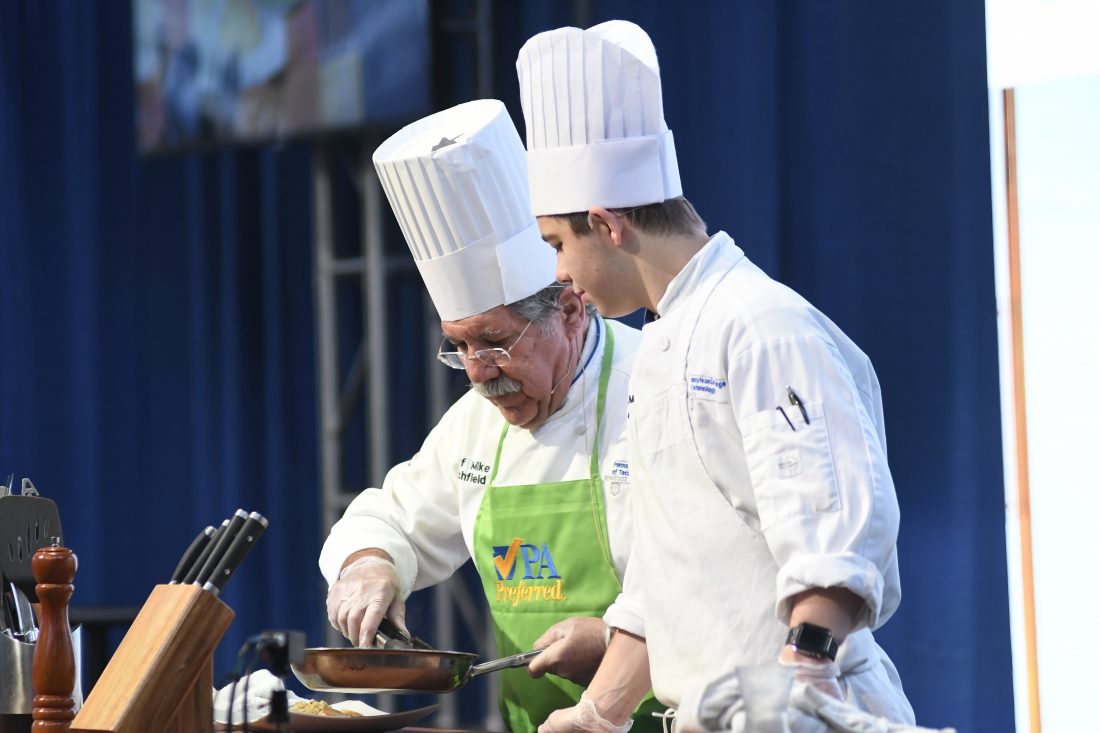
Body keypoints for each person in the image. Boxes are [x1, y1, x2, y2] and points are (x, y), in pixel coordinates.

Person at [515, 21, 917, 732]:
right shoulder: (662, 345)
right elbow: (668, 582)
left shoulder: (760, 324)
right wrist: (598, 712)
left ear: (607, 225)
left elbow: (835, 537)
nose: (560, 275)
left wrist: (802, 674)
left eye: (557, 244)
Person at [319, 99, 662, 733]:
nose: (478, 372)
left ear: (569, 311)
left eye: (495, 341)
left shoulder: (658, 389)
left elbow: (724, 583)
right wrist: (369, 564)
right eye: (459, 345)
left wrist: (618, 642)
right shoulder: (476, 426)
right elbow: (390, 516)